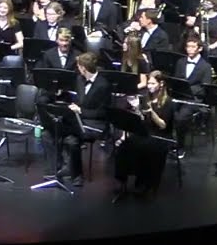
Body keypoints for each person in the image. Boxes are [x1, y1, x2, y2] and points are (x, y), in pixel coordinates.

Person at [114, 71, 174, 198]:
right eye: (148, 83)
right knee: (124, 146)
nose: (149, 86)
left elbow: (163, 125)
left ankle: (145, 183)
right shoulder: (146, 97)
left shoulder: (168, 102)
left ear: (161, 84)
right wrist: (137, 110)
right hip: (146, 131)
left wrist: (151, 112)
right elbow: (142, 119)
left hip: (160, 134)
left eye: (152, 83)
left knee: (146, 148)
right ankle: (122, 180)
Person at [55, 52, 110, 186]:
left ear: (83, 68)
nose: (78, 69)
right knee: (56, 130)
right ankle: (67, 167)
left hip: (95, 123)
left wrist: (81, 111)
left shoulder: (104, 85)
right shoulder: (79, 79)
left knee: (70, 138)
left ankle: (74, 173)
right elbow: (79, 100)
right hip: (79, 120)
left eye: (79, 67)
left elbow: (103, 113)